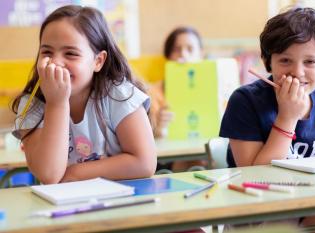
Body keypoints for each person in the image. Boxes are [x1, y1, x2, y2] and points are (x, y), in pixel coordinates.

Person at [11, 5, 156, 184]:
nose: (56, 62)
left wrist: (74, 174)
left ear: (98, 61)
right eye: (47, 52)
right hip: (62, 208)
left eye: (70, 53)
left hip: (121, 202)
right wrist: (57, 103)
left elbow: (145, 163)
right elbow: (49, 175)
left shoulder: (119, 95)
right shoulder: (32, 104)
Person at [220, 7, 315, 226]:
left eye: (310, 62)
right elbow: (257, 177)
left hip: (313, 203)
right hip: (260, 213)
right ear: (269, 62)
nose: (297, 72)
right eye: (285, 60)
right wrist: (288, 117)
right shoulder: (245, 100)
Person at [149, 26, 205, 172]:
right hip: (170, 159)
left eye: (190, 49)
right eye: (177, 49)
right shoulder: (152, 92)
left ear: (201, 54)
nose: (183, 55)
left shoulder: (213, 88)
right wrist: (159, 129)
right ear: (168, 57)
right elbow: (148, 141)